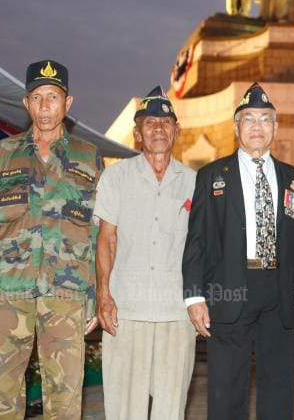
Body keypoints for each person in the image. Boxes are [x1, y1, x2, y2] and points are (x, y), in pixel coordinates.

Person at [0, 60, 102, 418]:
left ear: (68, 103)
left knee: (65, 400)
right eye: (37, 98)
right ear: (26, 104)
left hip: (66, 294)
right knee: (1, 398)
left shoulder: (89, 156)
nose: (45, 106)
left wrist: (95, 295)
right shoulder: (1, 155)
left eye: (53, 97)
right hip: (7, 292)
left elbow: (99, 231)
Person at [182, 82, 294, 420]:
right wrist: (194, 296)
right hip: (230, 289)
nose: (257, 127)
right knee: (227, 391)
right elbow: (197, 239)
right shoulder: (212, 177)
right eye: (249, 119)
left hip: (280, 294)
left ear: (276, 127)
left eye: (265, 119)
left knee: (279, 389)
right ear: (236, 127)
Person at [94, 86, 197, 419]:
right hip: (127, 308)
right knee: (124, 406)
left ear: (176, 131)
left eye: (166, 122)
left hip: (176, 312)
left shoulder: (196, 182)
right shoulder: (117, 176)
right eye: (150, 122)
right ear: (137, 133)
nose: (158, 128)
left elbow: (204, 247)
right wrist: (103, 295)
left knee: (171, 407)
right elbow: (106, 238)